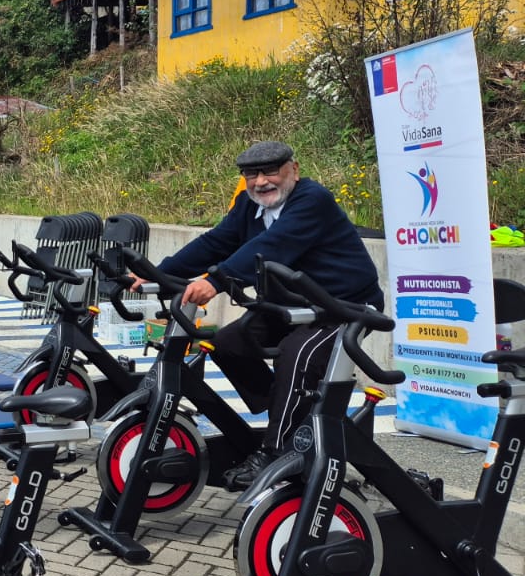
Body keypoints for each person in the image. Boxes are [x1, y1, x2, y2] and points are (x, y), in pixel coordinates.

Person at [151, 140, 383, 488]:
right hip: (293, 307)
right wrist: (157, 273)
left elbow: (273, 247)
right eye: (251, 174)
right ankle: (289, 411)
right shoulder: (249, 205)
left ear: (294, 169)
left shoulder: (312, 200)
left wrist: (215, 281)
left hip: (343, 307)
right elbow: (216, 242)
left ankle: (278, 452)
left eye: (270, 171)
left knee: (296, 356)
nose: (261, 181)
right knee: (229, 343)